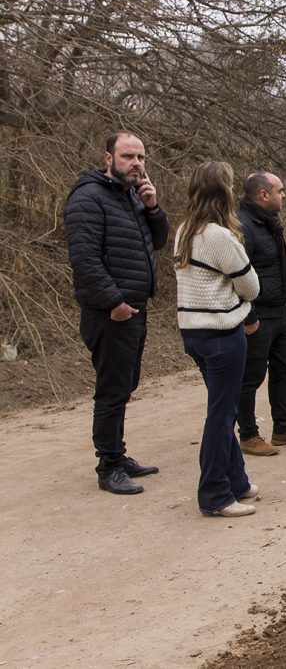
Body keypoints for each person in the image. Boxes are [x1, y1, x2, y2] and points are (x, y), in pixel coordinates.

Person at [64, 131, 168, 495]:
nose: (137, 164)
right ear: (108, 159)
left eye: (141, 157)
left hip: (135, 310)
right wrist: (115, 304)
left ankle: (117, 455)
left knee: (125, 385)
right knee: (111, 391)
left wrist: (153, 208)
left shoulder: (134, 197)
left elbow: (158, 242)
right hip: (110, 313)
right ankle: (108, 467)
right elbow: (86, 261)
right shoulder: (88, 198)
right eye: (128, 157)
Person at [174, 161, 262, 517]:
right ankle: (215, 495)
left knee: (221, 408)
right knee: (222, 416)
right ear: (223, 191)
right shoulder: (220, 237)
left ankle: (237, 481)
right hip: (224, 335)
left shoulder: (183, 231)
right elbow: (252, 287)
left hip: (193, 334)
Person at [235, 172, 286, 455]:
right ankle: (247, 435)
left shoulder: (269, 222)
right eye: (280, 191)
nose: (284, 195)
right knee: (251, 375)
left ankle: (283, 427)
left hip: (279, 309)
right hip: (257, 312)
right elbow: (236, 276)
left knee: (284, 368)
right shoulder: (243, 226)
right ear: (263, 195)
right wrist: (249, 318)